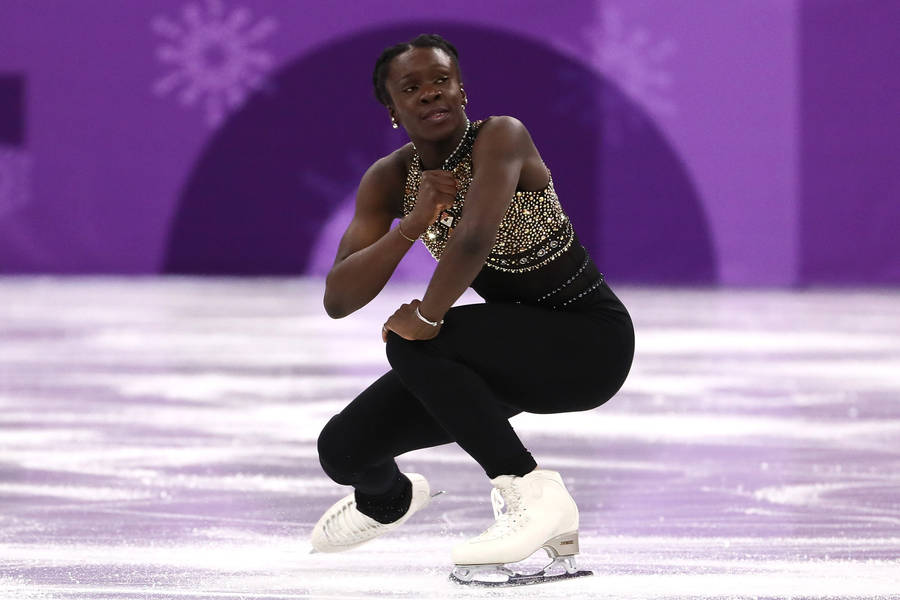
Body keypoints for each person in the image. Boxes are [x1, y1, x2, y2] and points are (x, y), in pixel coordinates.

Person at [312, 34, 634, 582]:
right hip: (510, 358)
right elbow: (339, 298)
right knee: (342, 450)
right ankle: (388, 500)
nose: (431, 94)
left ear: (463, 89)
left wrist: (427, 316)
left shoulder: (501, 137)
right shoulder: (389, 179)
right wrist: (412, 223)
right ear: (392, 109)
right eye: (411, 88)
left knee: (414, 343)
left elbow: (473, 238)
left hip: (589, 344)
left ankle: (531, 492)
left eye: (441, 80)